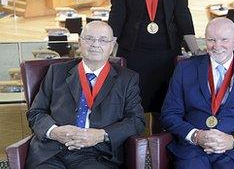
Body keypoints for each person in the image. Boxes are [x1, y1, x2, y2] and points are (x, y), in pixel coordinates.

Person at [26, 21, 145, 168]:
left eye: (102, 40)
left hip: (97, 154)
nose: (95, 44)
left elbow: (137, 121)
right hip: (52, 151)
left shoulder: (127, 79)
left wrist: (101, 135)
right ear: (79, 42)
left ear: (112, 46)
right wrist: (54, 131)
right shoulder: (56, 72)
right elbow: (36, 112)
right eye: (89, 38)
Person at [160, 18, 234, 168]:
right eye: (211, 40)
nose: (217, 46)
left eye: (224, 39)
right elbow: (169, 114)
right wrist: (195, 135)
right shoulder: (185, 69)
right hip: (193, 151)